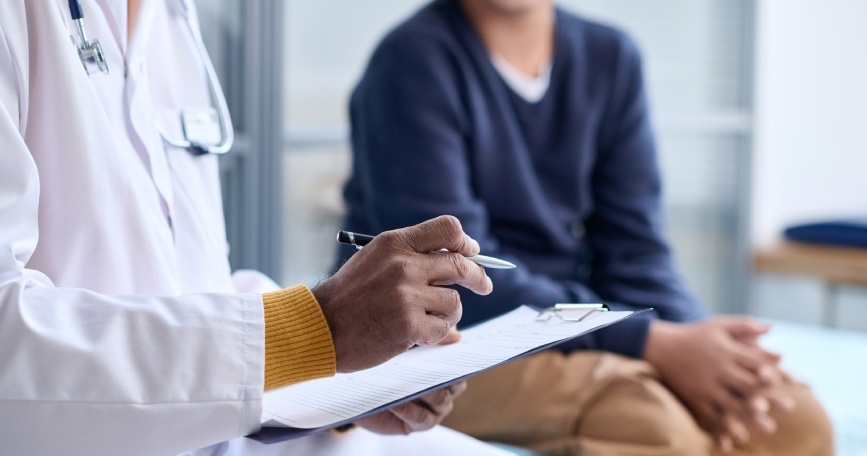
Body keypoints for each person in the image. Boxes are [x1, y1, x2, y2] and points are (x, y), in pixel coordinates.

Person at [0, 1, 523, 455]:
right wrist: (318, 330)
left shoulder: (172, 16)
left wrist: (344, 378)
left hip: (222, 435)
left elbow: (187, 290)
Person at [338, 0, 834, 454]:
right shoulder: (411, 61)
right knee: (653, 425)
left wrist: (698, 345)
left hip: (577, 326)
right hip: (453, 343)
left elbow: (637, 252)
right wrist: (649, 342)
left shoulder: (610, 57)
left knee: (793, 421)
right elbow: (457, 280)